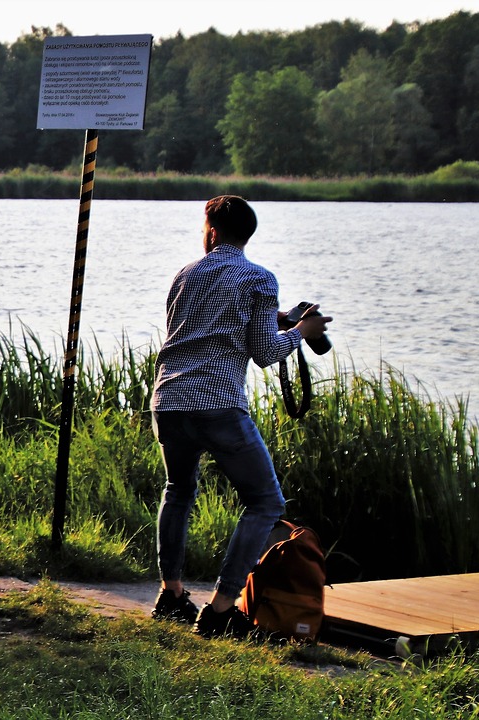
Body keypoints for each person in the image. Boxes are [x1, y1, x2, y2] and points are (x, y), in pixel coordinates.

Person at [148, 195, 332, 638]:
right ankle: (220, 609)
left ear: (211, 230)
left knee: (178, 490)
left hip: (169, 398)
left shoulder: (185, 275)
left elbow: (203, 325)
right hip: (218, 402)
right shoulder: (260, 278)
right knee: (266, 501)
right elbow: (266, 352)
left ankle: (171, 595)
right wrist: (301, 332)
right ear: (248, 234)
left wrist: (280, 318)